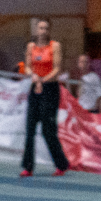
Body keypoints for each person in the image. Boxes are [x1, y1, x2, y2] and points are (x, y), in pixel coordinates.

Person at [19, 18, 68, 177]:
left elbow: (57, 69)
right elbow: (27, 67)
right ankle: (28, 167)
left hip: (50, 89)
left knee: (48, 130)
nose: (43, 31)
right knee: (30, 129)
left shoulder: (55, 46)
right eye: (40, 28)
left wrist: (43, 80)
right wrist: (33, 76)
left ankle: (61, 164)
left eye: (46, 28)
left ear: (49, 30)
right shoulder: (30, 47)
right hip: (35, 88)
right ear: (36, 30)